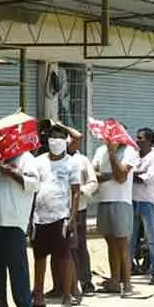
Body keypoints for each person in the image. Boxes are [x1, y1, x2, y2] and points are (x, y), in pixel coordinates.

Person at [0, 132, 40, 307]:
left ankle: (24, 304)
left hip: (15, 220)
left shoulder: (26, 158)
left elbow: (34, 184)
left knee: (17, 265)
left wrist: (10, 172)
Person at [31, 126, 81, 307]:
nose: (56, 141)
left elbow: (76, 192)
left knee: (63, 257)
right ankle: (38, 295)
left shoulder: (71, 163)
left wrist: (73, 217)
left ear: (65, 141)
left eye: (60, 138)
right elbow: (34, 188)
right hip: (39, 217)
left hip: (61, 217)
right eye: (52, 137)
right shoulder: (38, 162)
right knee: (39, 257)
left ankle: (67, 297)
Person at [92, 127, 140, 296]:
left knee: (122, 244)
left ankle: (127, 283)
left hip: (121, 201)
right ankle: (114, 280)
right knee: (110, 243)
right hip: (104, 200)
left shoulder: (130, 151)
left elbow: (121, 176)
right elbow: (93, 175)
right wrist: (109, 175)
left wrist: (112, 154)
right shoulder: (99, 151)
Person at [67, 126, 98, 297]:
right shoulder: (49, 159)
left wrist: (80, 193)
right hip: (57, 208)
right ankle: (62, 285)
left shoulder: (82, 160)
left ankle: (86, 282)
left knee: (79, 246)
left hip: (78, 208)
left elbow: (93, 183)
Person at [131, 128, 154, 284]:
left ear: (150, 141)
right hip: (131, 200)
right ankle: (127, 270)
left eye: (141, 138)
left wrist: (132, 175)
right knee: (130, 238)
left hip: (146, 201)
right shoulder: (134, 156)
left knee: (151, 238)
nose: (137, 141)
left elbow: (149, 177)